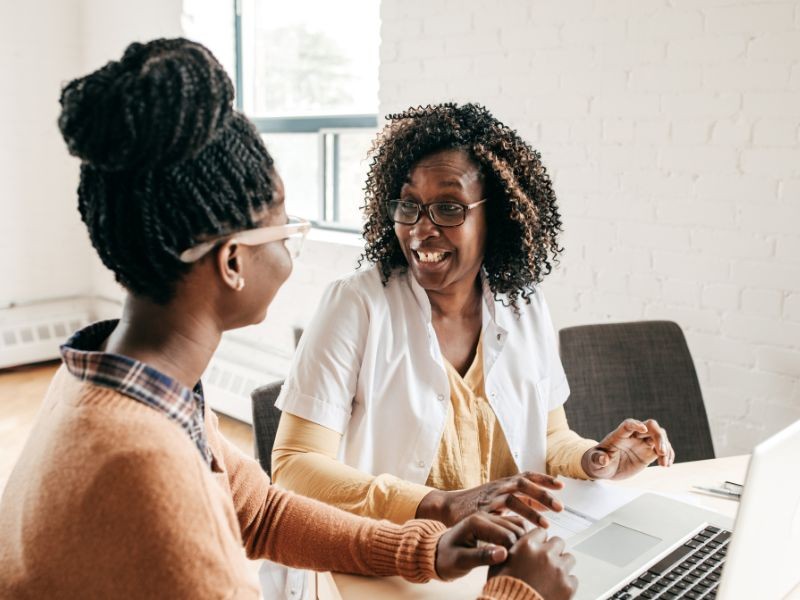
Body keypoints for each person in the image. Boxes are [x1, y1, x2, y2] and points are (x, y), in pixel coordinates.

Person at [0, 42, 576, 600]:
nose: (292, 245)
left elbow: (262, 511)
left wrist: (424, 547)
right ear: (233, 262)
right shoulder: (151, 479)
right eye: (283, 226)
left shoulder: (126, 386)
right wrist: (517, 591)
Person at [271, 103, 676, 527]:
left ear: (496, 219)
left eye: (449, 208)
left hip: (508, 552)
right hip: (399, 553)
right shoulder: (356, 304)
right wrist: (439, 505)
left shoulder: (524, 307)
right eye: (409, 205)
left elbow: (549, 436)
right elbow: (295, 464)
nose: (420, 229)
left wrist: (595, 460)